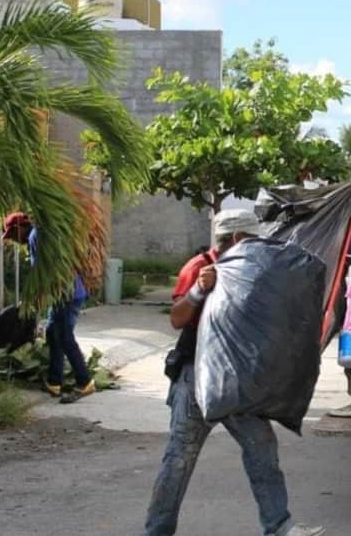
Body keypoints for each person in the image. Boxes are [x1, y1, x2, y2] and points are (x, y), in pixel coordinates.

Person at [144, 209, 325, 536]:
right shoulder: (200, 266)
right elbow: (177, 318)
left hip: (236, 380)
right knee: (179, 459)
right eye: (253, 240)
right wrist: (199, 290)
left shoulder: (251, 269)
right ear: (240, 239)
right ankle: (156, 531)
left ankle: (279, 526)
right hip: (195, 378)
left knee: (261, 448)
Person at [1, 211, 95, 404]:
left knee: (65, 336)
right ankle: (54, 381)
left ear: (20, 228)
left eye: (12, 235)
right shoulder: (40, 235)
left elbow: (42, 273)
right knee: (53, 333)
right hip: (66, 292)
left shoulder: (36, 236)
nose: (14, 241)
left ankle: (84, 381)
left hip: (66, 294)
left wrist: (33, 300)